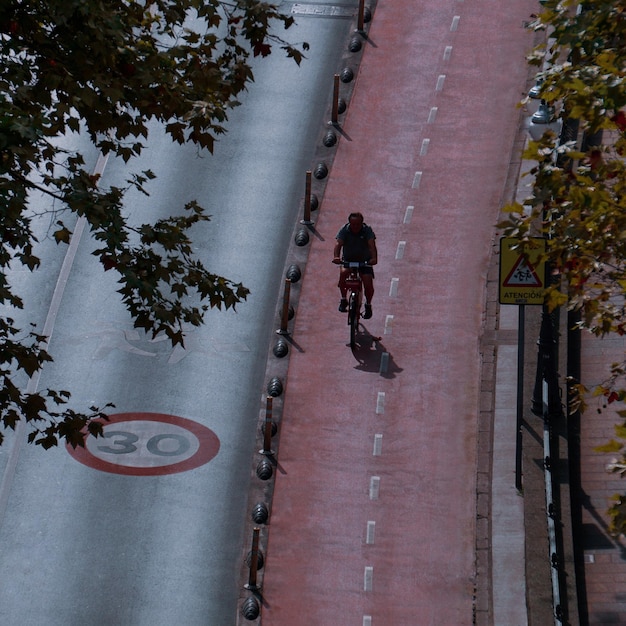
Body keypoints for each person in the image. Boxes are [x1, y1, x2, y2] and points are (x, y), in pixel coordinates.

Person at [332, 212, 377, 319]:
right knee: (343, 274)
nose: (355, 227)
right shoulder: (344, 230)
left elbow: (372, 245)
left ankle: (368, 305)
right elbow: (338, 244)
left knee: (367, 282)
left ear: (362, 223)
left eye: (358, 224)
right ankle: (343, 299)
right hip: (348, 260)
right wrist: (336, 256)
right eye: (353, 224)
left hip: (364, 262)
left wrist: (374, 258)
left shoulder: (367, 230)